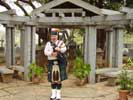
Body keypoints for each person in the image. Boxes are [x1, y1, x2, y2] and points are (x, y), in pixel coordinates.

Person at [44, 28, 67, 100]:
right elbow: (45, 52)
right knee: (52, 79)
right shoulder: (48, 43)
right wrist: (51, 53)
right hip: (51, 62)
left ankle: (58, 95)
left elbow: (64, 49)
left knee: (59, 79)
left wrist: (59, 49)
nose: (53, 37)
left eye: (55, 36)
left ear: (57, 36)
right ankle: (53, 94)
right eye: (52, 36)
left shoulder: (61, 43)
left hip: (60, 62)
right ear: (50, 37)